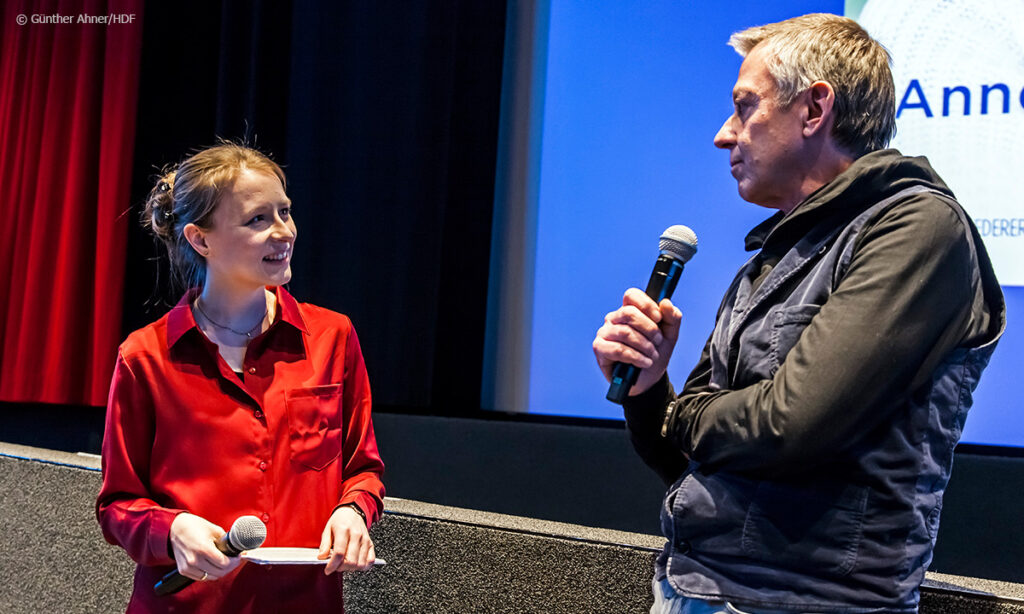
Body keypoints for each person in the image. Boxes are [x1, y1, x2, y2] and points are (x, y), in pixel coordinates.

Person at [593, 13, 1005, 614]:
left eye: (745, 107)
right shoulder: (774, 254)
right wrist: (648, 389)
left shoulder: (917, 227)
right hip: (691, 589)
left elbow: (790, 427)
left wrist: (682, 411)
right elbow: (695, 464)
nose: (723, 134)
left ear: (814, 110)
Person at [97, 143, 385, 613]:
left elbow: (363, 470)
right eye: (258, 220)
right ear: (200, 239)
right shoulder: (145, 357)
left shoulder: (334, 337)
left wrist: (353, 511)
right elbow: (117, 504)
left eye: (285, 212)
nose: (284, 232)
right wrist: (171, 530)